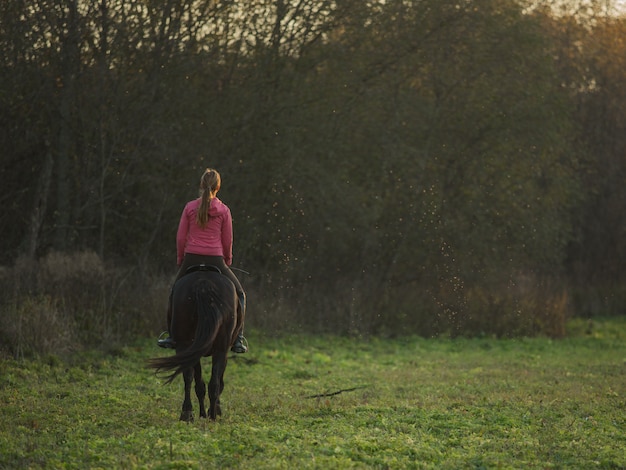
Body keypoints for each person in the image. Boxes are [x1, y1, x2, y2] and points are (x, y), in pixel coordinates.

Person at [158, 168, 247, 353]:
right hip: (216, 259)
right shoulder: (224, 210)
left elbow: (181, 238)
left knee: (174, 291)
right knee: (240, 294)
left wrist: (181, 259)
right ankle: (238, 338)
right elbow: (227, 239)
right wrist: (228, 260)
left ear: (201, 185)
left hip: (191, 257)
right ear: (218, 187)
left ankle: (172, 335)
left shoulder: (190, 207)